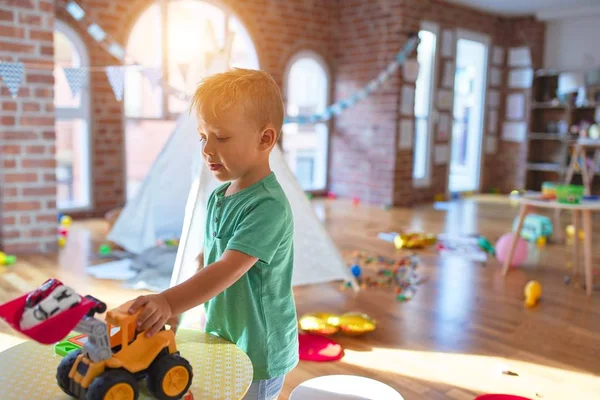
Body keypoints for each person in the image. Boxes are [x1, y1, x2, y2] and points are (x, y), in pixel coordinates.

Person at [127, 68, 299, 399]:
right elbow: (206, 259)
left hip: (261, 347)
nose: (207, 149)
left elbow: (227, 268)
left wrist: (167, 300)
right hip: (224, 335)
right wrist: (174, 312)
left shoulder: (268, 206)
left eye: (221, 137)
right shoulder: (219, 197)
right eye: (203, 137)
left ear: (265, 139)